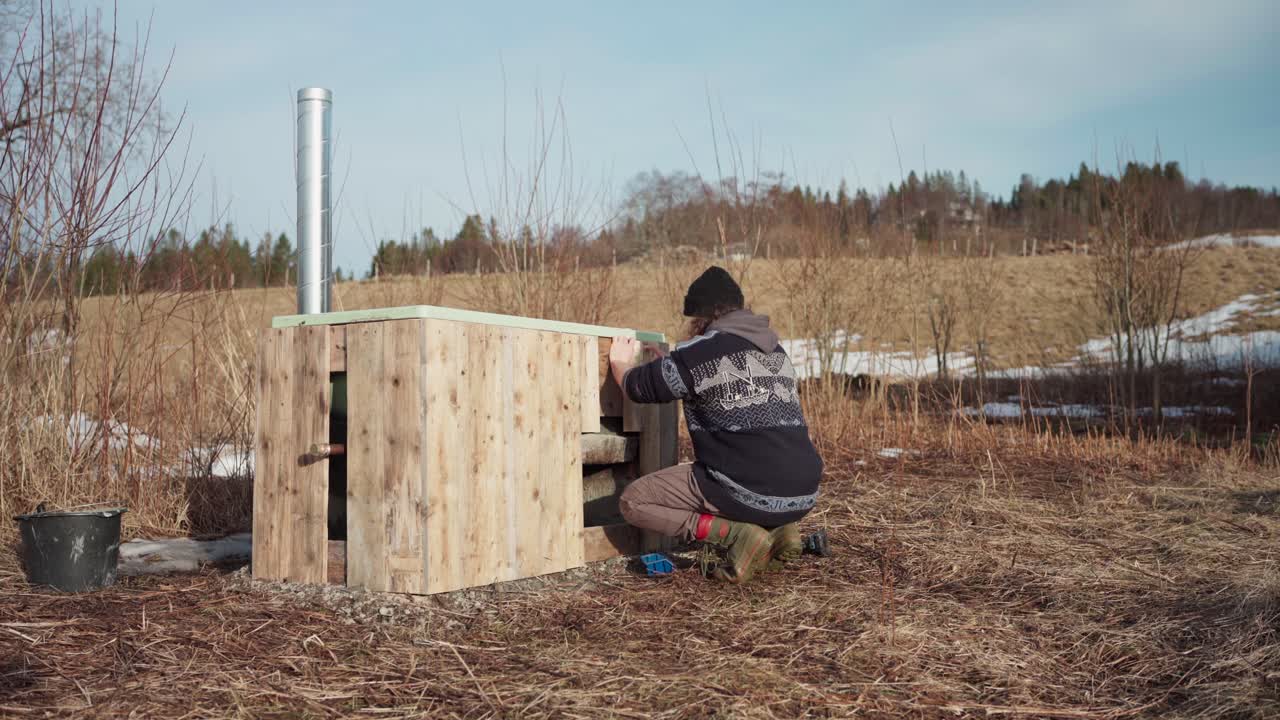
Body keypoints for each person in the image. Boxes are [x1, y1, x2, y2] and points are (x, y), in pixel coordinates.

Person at [610, 266, 823, 583]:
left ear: (702, 318)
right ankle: (781, 531)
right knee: (750, 470)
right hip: (803, 494)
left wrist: (620, 362)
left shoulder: (701, 351)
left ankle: (737, 535)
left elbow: (636, 387)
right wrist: (668, 365)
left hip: (748, 489)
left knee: (634, 500)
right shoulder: (776, 351)